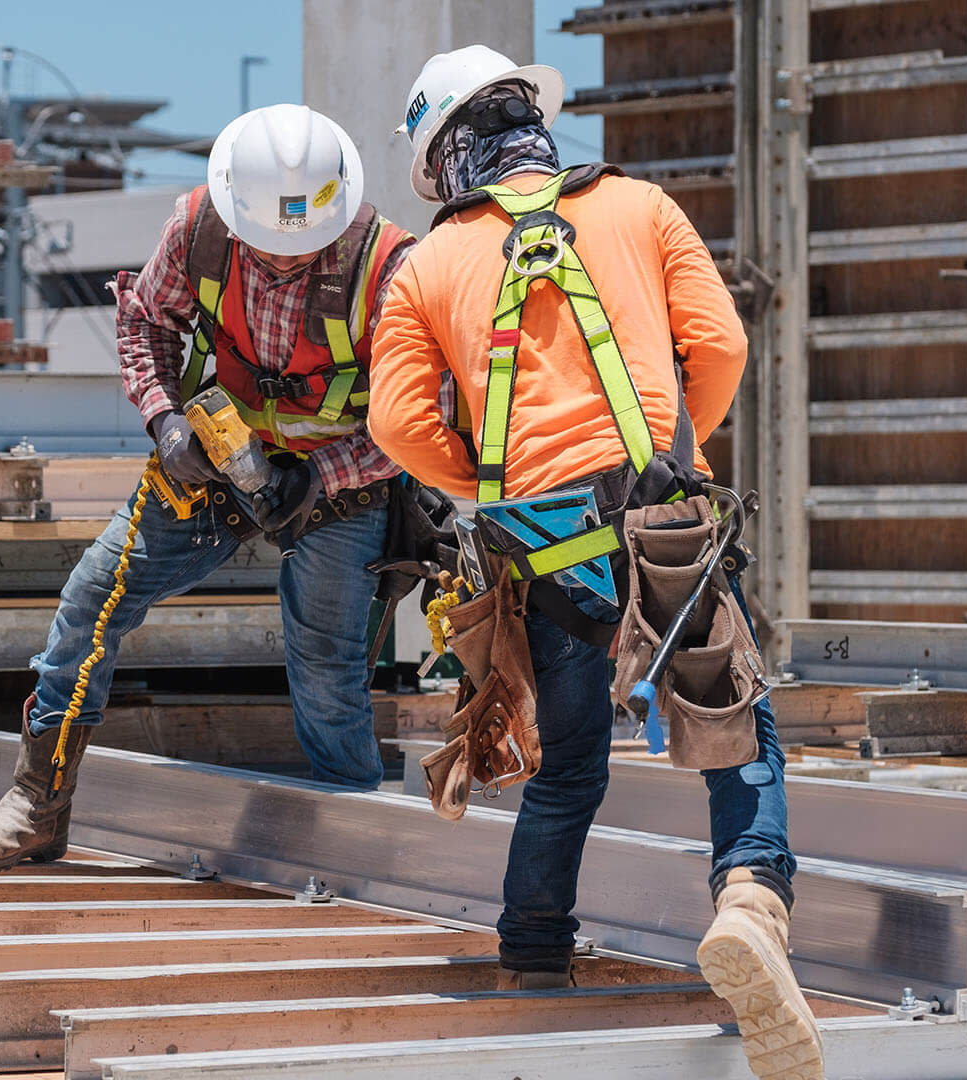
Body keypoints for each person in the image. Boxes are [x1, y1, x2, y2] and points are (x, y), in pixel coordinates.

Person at [366, 46, 822, 1080]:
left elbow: (395, 426)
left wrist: (495, 487)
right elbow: (724, 349)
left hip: (545, 550)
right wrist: (675, 456)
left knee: (568, 767)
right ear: (536, 121)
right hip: (665, 521)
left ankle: (532, 957)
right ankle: (750, 901)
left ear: (450, 159)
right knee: (733, 722)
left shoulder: (426, 265)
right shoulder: (642, 208)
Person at [0, 104, 415, 871]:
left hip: (335, 483)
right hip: (212, 464)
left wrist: (318, 476)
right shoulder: (198, 226)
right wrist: (166, 421)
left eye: (304, 249)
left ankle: (352, 846)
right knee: (91, 604)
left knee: (327, 671)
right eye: (269, 248)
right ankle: (36, 805)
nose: (287, 262)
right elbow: (146, 324)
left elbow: (419, 414)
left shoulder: (390, 265)